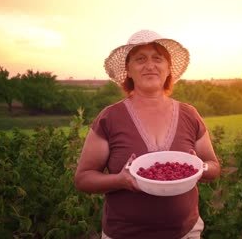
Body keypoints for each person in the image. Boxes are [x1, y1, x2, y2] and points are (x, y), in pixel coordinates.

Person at [74, 29, 221, 238]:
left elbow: (213, 167)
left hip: (185, 233)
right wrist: (120, 180)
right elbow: (83, 179)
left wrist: (199, 169)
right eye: (140, 59)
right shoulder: (110, 117)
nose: (150, 65)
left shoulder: (189, 114)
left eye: (157, 59)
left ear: (168, 68)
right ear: (129, 70)